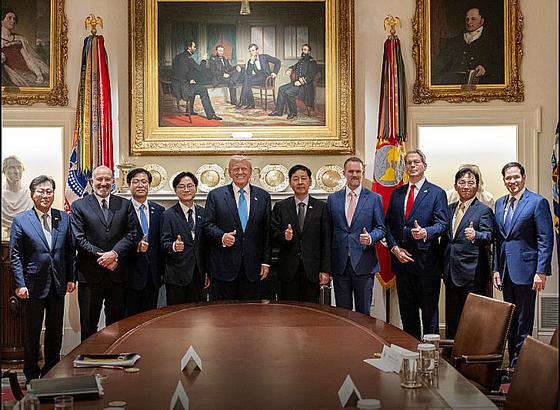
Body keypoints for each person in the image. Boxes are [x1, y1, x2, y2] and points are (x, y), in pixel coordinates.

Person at [9, 175, 75, 383]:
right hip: (32, 285)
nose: (45, 195)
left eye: (49, 191)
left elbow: (69, 251)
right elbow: (15, 256)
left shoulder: (64, 218)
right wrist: (20, 284)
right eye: (41, 191)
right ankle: (31, 374)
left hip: (57, 284)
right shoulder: (21, 220)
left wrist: (71, 278)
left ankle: (51, 372)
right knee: (32, 332)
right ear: (32, 194)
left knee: (55, 332)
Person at [493, 162, 553, 368]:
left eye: (516, 177)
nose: (512, 181)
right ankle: (511, 363)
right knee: (510, 319)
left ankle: (520, 366)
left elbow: (545, 239)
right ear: (504, 180)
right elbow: (498, 240)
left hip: (527, 271)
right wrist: (496, 269)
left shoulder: (537, 202)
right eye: (508, 178)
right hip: (506, 271)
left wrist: (541, 271)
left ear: (524, 178)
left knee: (523, 320)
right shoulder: (499, 203)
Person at [385, 149, 448, 340]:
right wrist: (394, 248)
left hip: (426, 264)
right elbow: (388, 225)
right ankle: (410, 351)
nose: (412, 166)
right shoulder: (397, 193)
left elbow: (442, 224)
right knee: (407, 314)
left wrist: (425, 232)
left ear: (424, 166)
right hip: (402, 263)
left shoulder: (436, 193)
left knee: (429, 314)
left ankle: (431, 355)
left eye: (416, 162)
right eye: (409, 163)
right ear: (405, 167)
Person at [71, 165, 137, 341]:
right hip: (90, 274)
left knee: (116, 324)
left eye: (107, 179)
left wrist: (114, 254)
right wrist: (104, 257)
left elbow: (131, 234)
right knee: (88, 324)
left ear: (113, 181)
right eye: (99, 179)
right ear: (92, 181)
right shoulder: (79, 205)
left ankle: (113, 355)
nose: (103, 183)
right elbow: (78, 238)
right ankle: (88, 357)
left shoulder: (125, 204)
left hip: (117, 274)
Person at [203, 155, 271, 300]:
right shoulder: (216, 195)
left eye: (244, 169)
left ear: (251, 172)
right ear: (229, 172)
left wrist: (266, 262)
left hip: (253, 268)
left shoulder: (263, 196)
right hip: (224, 267)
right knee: (224, 311)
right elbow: (207, 225)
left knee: (250, 311)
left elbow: (266, 232)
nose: (240, 172)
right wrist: (222, 236)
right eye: (236, 169)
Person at [326, 157, 385, 315]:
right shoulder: (333, 199)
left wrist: (371, 237)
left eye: (358, 171)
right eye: (351, 171)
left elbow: (381, 228)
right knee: (342, 315)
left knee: (363, 314)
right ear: (344, 173)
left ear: (363, 173)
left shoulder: (374, 198)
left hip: (364, 264)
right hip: (340, 265)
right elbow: (328, 232)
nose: (354, 175)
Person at [441, 167, 494, 339]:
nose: (466, 186)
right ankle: (451, 351)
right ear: (455, 186)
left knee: (473, 318)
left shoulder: (483, 210)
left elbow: (489, 236)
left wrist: (476, 235)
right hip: (451, 272)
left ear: (477, 186)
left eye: (471, 183)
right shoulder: (449, 209)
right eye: (462, 182)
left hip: (473, 274)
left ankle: (472, 353)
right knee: (452, 317)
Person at [271, 164, 330, 303]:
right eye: (295, 179)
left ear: (310, 181)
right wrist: (284, 236)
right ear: (290, 182)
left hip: (312, 270)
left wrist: (325, 270)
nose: (300, 182)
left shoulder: (322, 208)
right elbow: (272, 234)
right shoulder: (281, 207)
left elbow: (326, 240)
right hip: (288, 270)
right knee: (288, 309)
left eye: (303, 178)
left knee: (311, 309)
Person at [160, 172, 210, 305]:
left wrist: (207, 272)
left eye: (190, 186)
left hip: (199, 274)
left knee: (198, 313)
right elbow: (163, 243)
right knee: (177, 314)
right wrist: (173, 246)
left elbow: (207, 246)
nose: (186, 190)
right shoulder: (168, 215)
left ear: (196, 188)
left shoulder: (204, 213)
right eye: (181, 186)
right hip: (177, 275)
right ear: (175, 190)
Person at [124, 168, 165, 317]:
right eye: (136, 182)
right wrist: (136, 248)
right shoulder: (122, 210)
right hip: (129, 276)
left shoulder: (159, 210)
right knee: (129, 320)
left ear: (149, 185)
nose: (140, 185)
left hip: (153, 276)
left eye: (144, 182)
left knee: (149, 319)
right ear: (129, 185)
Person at [432, 7, 499, 85]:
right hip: (454, 84)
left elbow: (500, 66)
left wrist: (485, 69)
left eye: (473, 19)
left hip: (481, 84)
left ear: (482, 21)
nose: (469, 22)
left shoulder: (492, 41)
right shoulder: (453, 42)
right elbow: (439, 66)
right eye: (467, 19)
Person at [171, 40, 222, 120]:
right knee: (203, 89)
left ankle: (190, 110)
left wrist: (190, 79)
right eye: (194, 47)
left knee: (194, 85)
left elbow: (181, 72)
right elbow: (201, 70)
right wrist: (203, 60)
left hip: (175, 89)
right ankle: (211, 115)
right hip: (183, 91)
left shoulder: (177, 57)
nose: (195, 48)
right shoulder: (188, 59)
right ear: (189, 48)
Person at [1, 8, 49, 87]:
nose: (13, 21)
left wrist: (39, 74)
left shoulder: (20, 39)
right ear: (1, 21)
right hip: (9, 75)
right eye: (9, 18)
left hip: (25, 73)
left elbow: (28, 59)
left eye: (14, 19)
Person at [269, 44, 317, 120]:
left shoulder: (312, 62)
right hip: (296, 83)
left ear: (309, 52)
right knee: (281, 88)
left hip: (305, 87)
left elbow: (310, 76)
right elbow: (294, 66)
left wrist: (301, 82)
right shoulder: (301, 60)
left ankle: (293, 113)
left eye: (305, 50)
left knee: (289, 92)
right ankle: (278, 111)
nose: (303, 51)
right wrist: (290, 69)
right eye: (302, 49)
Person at [237, 43, 281, 109]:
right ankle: (248, 103)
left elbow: (278, 61)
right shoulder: (250, 61)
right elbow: (248, 73)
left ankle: (245, 102)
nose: (251, 53)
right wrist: (251, 62)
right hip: (258, 78)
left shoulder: (264, 57)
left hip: (267, 79)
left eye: (253, 50)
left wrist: (275, 72)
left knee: (246, 82)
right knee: (246, 80)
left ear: (257, 50)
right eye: (250, 51)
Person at [2, 155, 33, 239]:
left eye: (19, 167)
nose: (17, 171)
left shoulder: (29, 194)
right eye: (11, 168)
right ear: (4, 170)